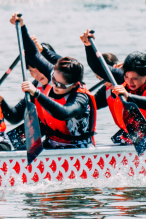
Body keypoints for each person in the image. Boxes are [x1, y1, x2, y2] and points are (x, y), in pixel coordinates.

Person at [12, 15, 96, 148]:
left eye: (61, 85)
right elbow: (34, 54)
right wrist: (22, 26)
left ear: (74, 84)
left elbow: (63, 113)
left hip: (77, 148)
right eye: (54, 81)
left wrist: (37, 94)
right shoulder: (55, 75)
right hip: (52, 143)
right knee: (19, 149)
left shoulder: (80, 98)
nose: (55, 86)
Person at [81, 30, 146, 144]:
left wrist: (128, 96)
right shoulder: (121, 78)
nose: (129, 82)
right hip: (129, 141)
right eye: (126, 77)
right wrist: (88, 46)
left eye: (135, 79)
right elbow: (98, 67)